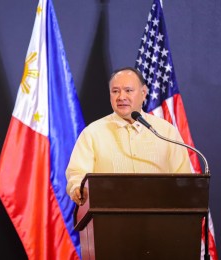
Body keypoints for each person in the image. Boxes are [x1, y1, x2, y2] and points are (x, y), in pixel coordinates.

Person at [66, 67, 192, 205]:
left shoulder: (166, 131)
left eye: (128, 90)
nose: (121, 97)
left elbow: (183, 178)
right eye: (115, 91)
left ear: (143, 93)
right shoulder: (93, 133)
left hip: (159, 218)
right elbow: (77, 173)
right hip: (110, 218)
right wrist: (78, 187)